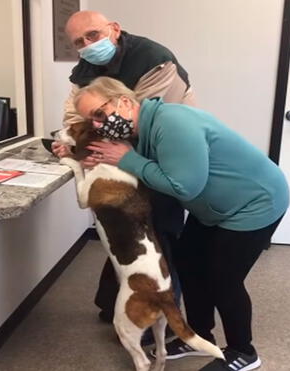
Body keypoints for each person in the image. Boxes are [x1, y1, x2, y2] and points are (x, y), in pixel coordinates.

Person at [73, 76, 289, 371]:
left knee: (223, 280)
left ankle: (243, 351)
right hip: (214, 209)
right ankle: (197, 335)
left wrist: (127, 159)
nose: (97, 125)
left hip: (254, 204)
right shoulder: (139, 129)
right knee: (188, 264)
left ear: (124, 101)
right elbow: (141, 166)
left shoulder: (173, 123)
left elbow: (184, 187)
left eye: (99, 114)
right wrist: (76, 152)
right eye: (90, 120)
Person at [53, 10, 193, 331]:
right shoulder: (85, 69)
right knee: (125, 230)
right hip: (125, 153)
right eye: (79, 42)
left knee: (159, 238)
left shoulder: (155, 59)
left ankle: (165, 323)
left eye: (93, 35)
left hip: (162, 150)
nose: (87, 45)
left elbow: (129, 119)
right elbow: (75, 113)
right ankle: (114, 304)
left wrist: (83, 146)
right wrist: (76, 142)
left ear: (114, 29)